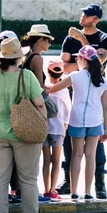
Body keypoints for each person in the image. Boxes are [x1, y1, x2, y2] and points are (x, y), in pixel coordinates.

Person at [0, 37, 46, 213]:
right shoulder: (27, 77)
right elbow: (40, 103)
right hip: (25, 133)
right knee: (28, 179)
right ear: (19, 57)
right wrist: (42, 123)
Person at [60, 3, 107, 198]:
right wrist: (82, 63)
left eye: (88, 15)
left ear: (96, 20)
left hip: (94, 94)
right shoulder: (69, 39)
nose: (83, 17)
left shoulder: (104, 39)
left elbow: (98, 61)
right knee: (70, 141)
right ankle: (69, 181)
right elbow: (63, 67)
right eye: (83, 13)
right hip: (73, 92)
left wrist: (83, 41)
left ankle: (99, 182)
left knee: (96, 143)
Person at [50, 45, 107, 200]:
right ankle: (88, 191)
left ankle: (74, 191)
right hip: (96, 121)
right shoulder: (103, 81)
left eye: (78, 57)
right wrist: (106, 128)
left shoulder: (75, 76)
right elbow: (106, 107)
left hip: (76, 119)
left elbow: (53, 89)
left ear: (83, 59)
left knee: (76, 155)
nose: (76, 59)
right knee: (90, 156)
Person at [42, 61, 71, 202]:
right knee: (56, 160)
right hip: (58, 128)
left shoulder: (44, 88)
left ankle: (46, 189)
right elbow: (68, 109)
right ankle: (53, 190)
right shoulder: (63, 90)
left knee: (46, 160)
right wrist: (65, 123)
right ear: (61, 74)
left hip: (44, 127)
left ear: (48, 72)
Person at [21, 24, 54, 90]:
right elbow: (39, 87)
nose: (49, 44)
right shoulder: (37, 58)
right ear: (41, 39)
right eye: (49, 40)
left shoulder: (26, 54)